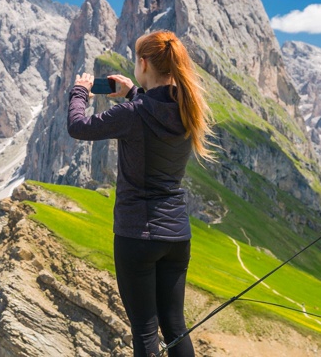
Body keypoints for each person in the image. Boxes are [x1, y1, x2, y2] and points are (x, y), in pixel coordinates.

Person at [67, 30, 215, 357]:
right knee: (175, 325)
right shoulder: (187, 107)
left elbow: (78, 127)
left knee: (145, 330)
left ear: (143, 63)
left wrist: (80, 91)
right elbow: (153, 111)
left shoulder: (133, 114)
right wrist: (134, 92)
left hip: (138, 234)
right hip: (177, 236)